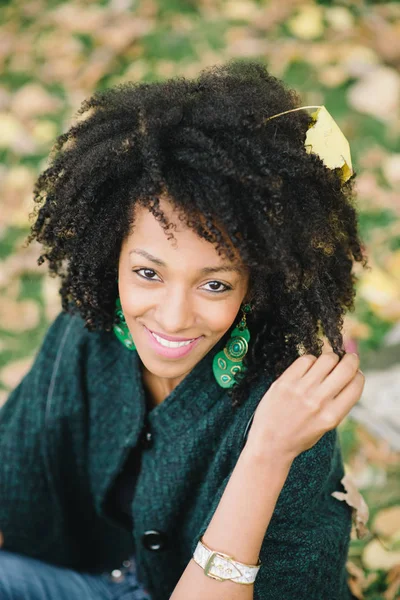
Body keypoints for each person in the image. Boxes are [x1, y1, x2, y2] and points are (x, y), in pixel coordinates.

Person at [0, 59, 367, 600]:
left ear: (256, 283)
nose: (172, 318)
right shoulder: (87, 333)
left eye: (215, 284)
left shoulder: (289, 417)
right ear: (111, 255)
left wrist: (267, 453)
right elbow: (15, 474)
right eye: (147, 273)